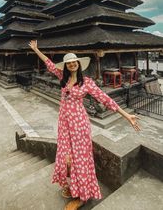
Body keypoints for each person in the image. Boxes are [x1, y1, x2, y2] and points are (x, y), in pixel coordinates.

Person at [29, 40, 140, 210]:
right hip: (64, 123)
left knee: (79, 160)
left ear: (78, 64)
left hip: (79, 125)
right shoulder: (63, 78)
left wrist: (126, 116)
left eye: (75, 62)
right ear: (66, 66)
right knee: (65, 158)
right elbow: (49, 64)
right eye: (69, 63)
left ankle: (81, 196)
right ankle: (74, 186)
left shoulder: (87, 82)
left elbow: (105, 99)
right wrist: (37, 49)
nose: (72, 64)